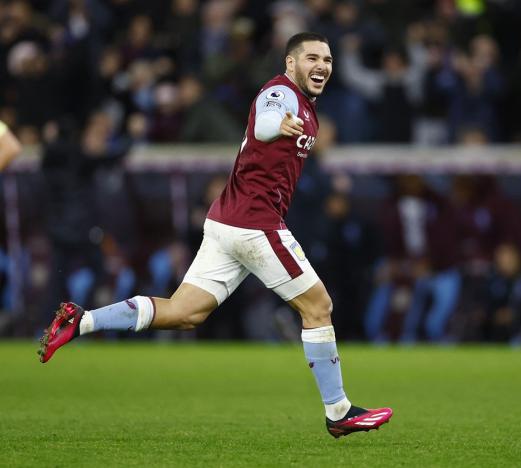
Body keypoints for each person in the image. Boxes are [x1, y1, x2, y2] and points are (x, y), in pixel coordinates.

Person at [38, 32, 392, 438]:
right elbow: (263, 122)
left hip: (226, 222)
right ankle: (339, 412)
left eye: (327, 60)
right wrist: (278, 123)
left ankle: (80, 321)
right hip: (254, 223)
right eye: (312, 57)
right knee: (318, 306)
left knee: (184, 312)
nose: (322, 66)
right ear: (290, 63)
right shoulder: (281, 92)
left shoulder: (306, 106)